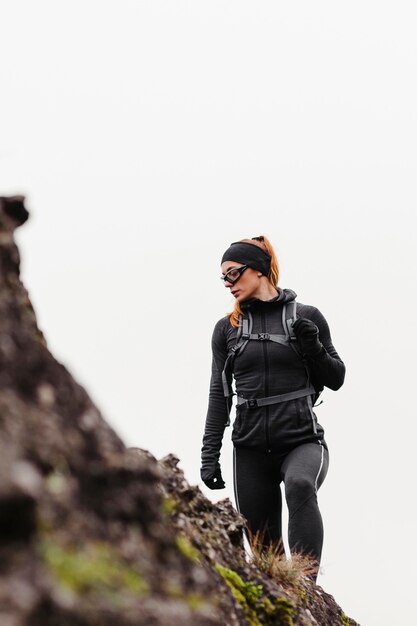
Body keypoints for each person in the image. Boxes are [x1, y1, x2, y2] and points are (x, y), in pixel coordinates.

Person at [200, 235, 345, 576]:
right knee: (269, 564)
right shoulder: (226, 330)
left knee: (300, 485)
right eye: (223, 277)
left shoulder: (307, 317)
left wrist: (314, 349)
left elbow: (336, 377)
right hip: (250, 450)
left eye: (233, 273)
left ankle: (308, 588)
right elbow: (218, 395)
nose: (227, 284)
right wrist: (209, 455)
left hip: (302, 441)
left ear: (260, 270)